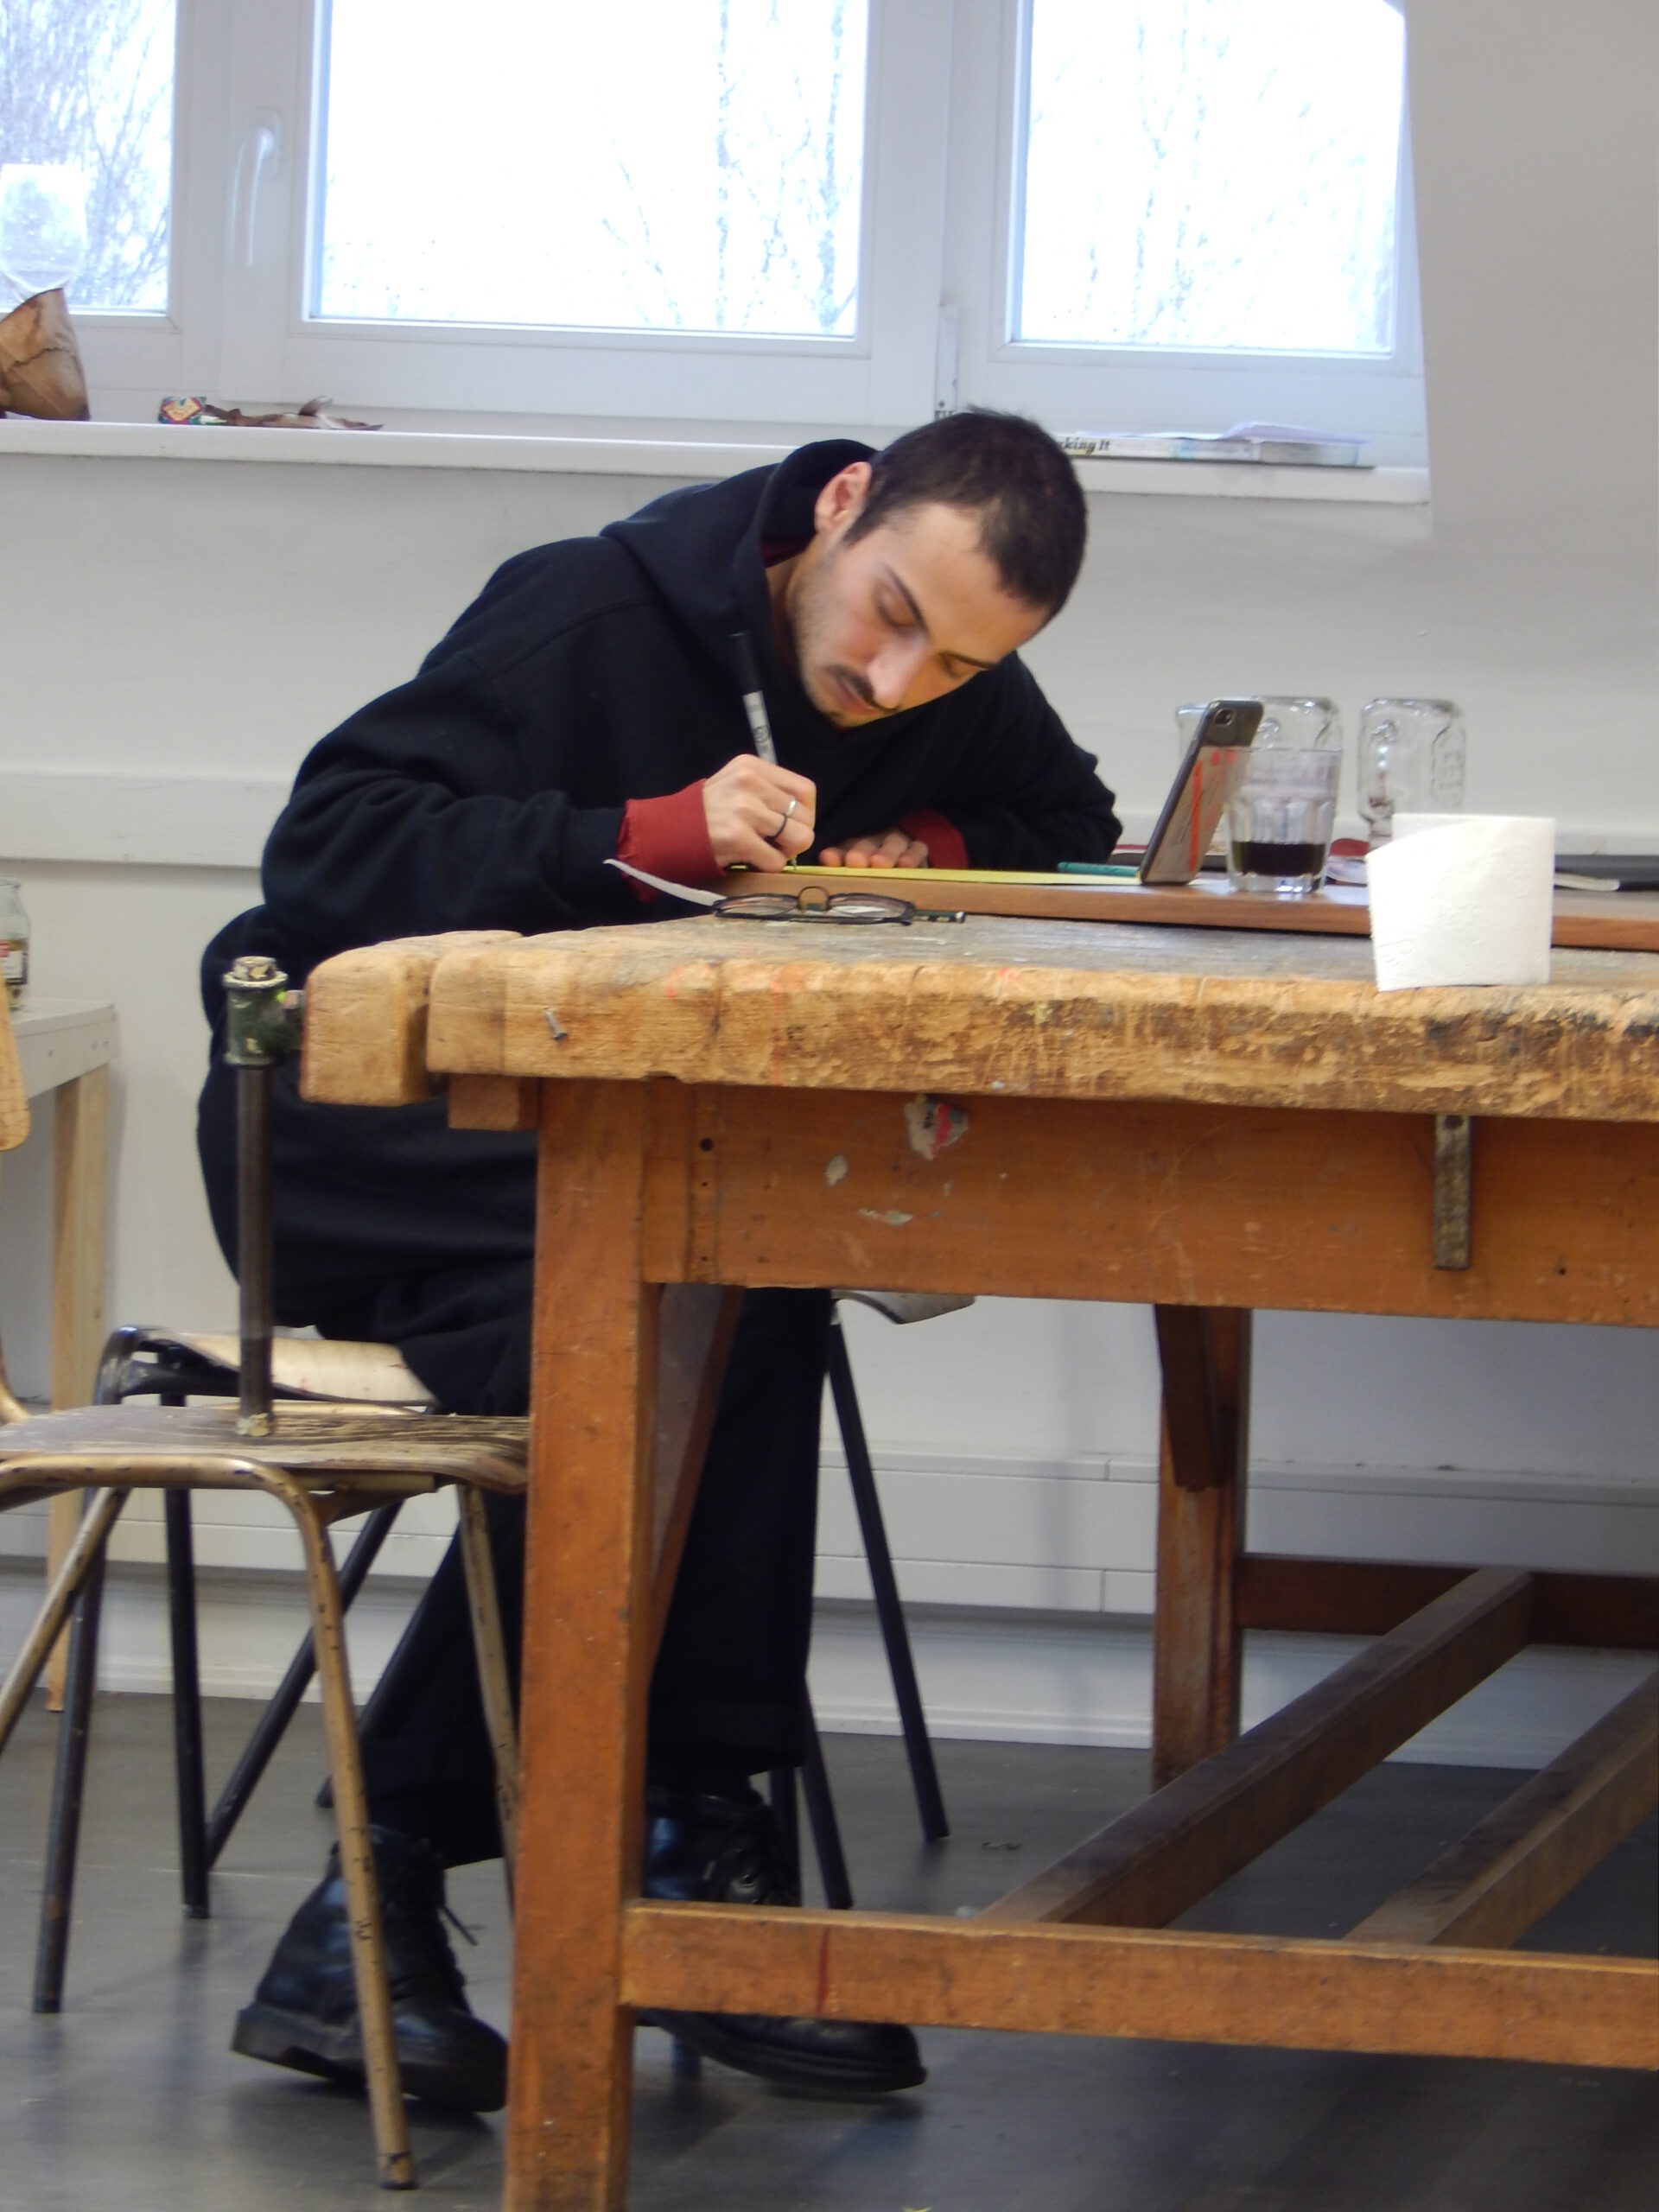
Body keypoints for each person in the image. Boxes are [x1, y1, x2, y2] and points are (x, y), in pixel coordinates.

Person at [196, 409, 1122, 2114]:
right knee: (684, 1300)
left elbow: (1072, 825)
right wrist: (646, 830)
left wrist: (919, 842)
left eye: (959, 662)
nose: (900, 680)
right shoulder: (587, 611)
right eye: (891, 615)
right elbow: (325, 853)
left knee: (714, 1289)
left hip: (625, 1163)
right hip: (369, 1132)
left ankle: (462, 1888)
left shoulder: (938, 676)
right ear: (841, 507)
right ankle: (618, 1854)